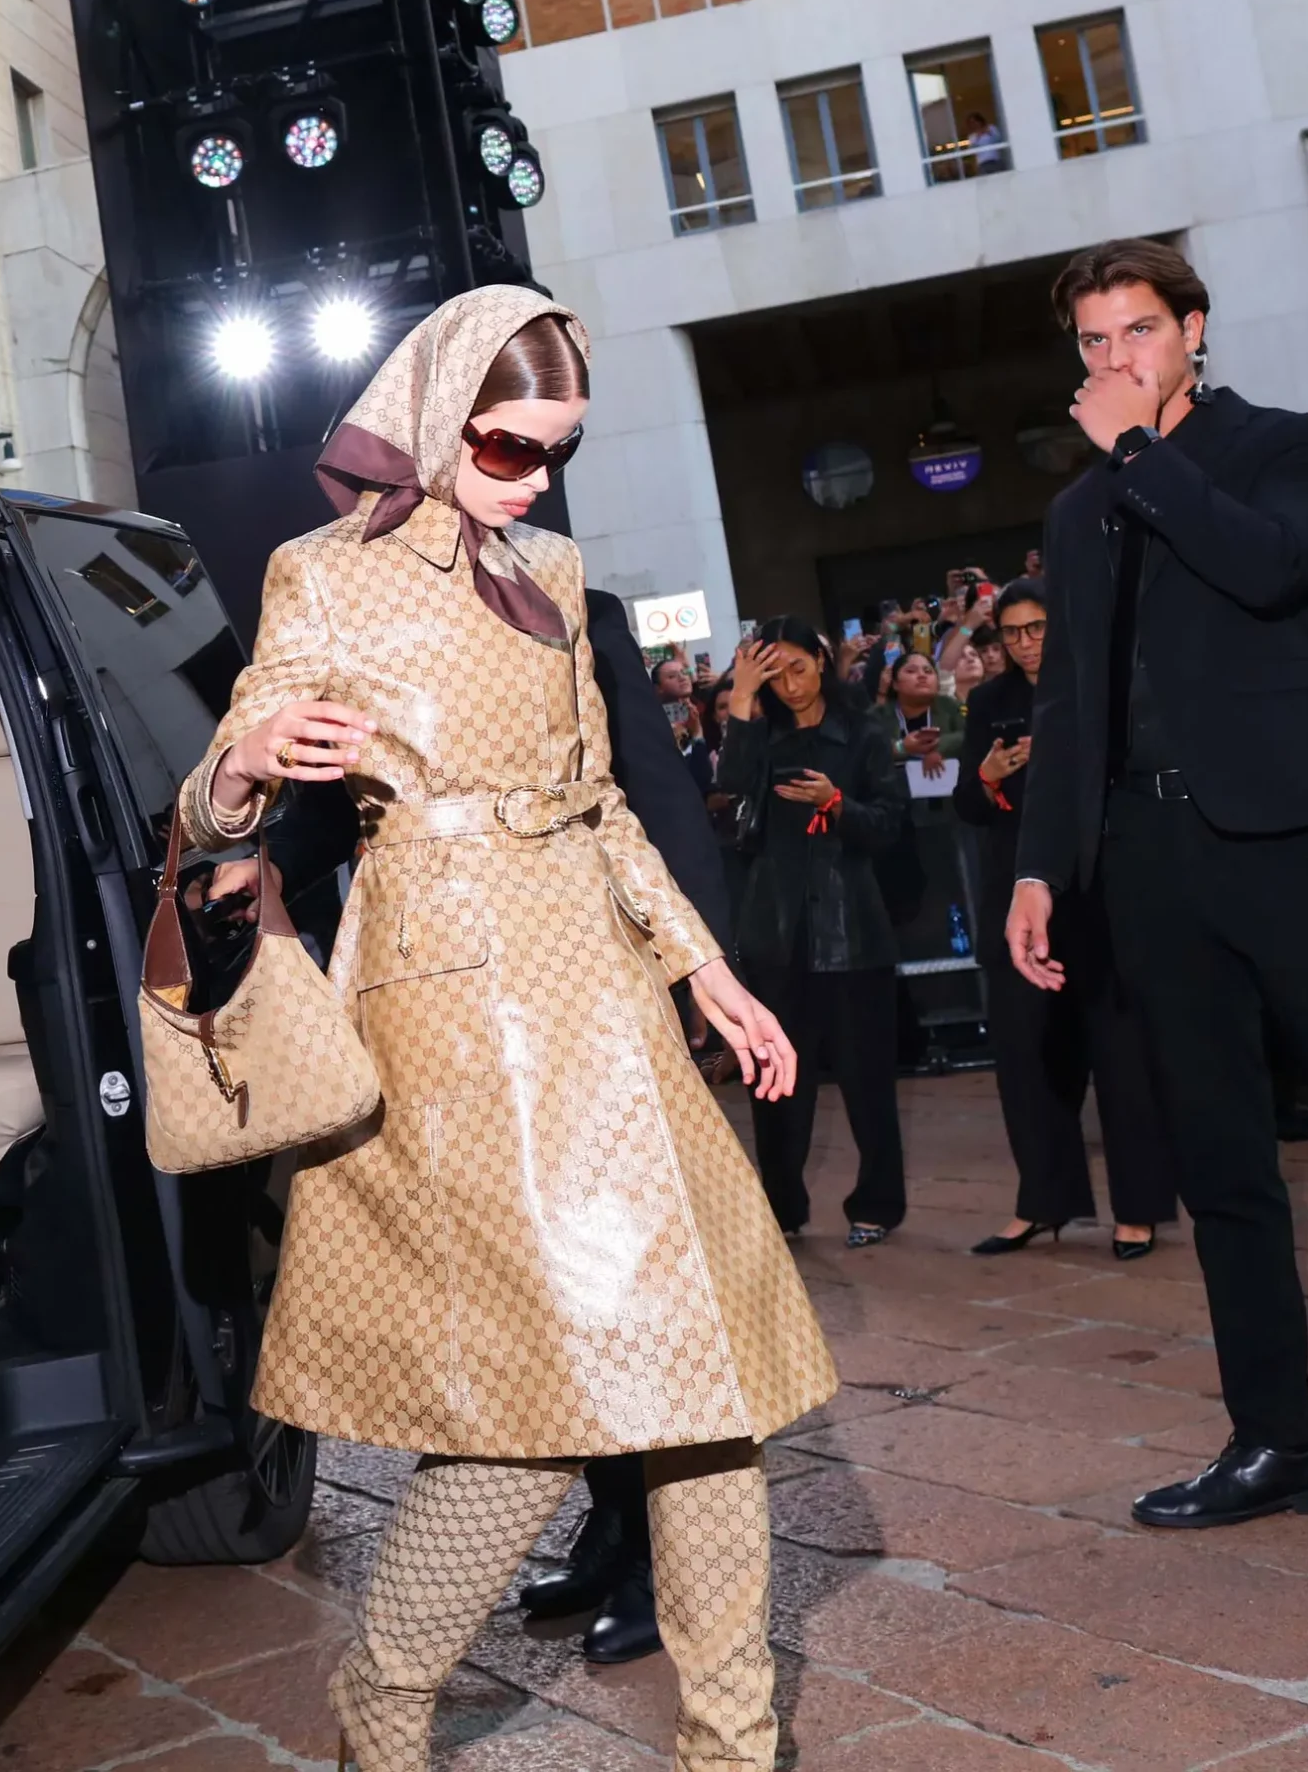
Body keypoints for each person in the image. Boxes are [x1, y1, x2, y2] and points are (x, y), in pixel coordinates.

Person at [177, 287, 833, 1772]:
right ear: (430, 413)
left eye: (556, 452)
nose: (529, 479)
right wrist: (259, 756)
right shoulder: (321, 575)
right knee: (526, 1413)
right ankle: (388, 1697)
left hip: (602, 987)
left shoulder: (551, 560)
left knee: (707, 1382)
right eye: (502, 446)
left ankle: (736, 1750)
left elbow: (598, 806)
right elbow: (221, 787)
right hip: (451, 1000)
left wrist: (705, 970)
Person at [1009, 238, 1308, 1529]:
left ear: (1193, 328)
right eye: (1091, 342)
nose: (1113, 361)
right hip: (1147, 862)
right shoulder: (1078, 512)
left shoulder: (1286, 447)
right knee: (1220, 1160)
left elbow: (1269, 568)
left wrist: (1142, 452)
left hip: (1294, 838)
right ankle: (1276, 1440)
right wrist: (1040, 867)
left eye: (1136, 331)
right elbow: (1072, 698)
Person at [512, 586, 742, 1671]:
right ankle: (613, 1520)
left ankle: (668, 1556)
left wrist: (697, 973)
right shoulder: (391, 603)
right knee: (557, 1287)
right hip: (479, 1011)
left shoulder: (576, 601)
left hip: (601, 982)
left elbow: (652, 788)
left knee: (636, 1275)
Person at [955, 579, 1175, 1258]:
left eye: (1037, 627)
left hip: (1098, 897)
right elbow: (966, 805)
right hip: (1018, 905)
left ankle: (1138, 1211)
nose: (1025, 643)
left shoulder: (1099, 686)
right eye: (1013, 632)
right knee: (1024, 1060)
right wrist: (990, 776)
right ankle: (1041, 1203)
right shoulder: (987, 701)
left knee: (1120, 1058)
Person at [716, 618, 911, 1246]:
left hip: (853, 930)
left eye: (799, 667)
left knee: (867, 1082)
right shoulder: (761, 732)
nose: (790, 684)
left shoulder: (862, 731)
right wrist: (742, 700)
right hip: (776, 932)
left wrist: (835, 803)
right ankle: (781, 1210)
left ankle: (877, 1205)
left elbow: (889, 824)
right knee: (775, 1084)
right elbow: (729, 790)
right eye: (775, 673)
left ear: (822, 662)